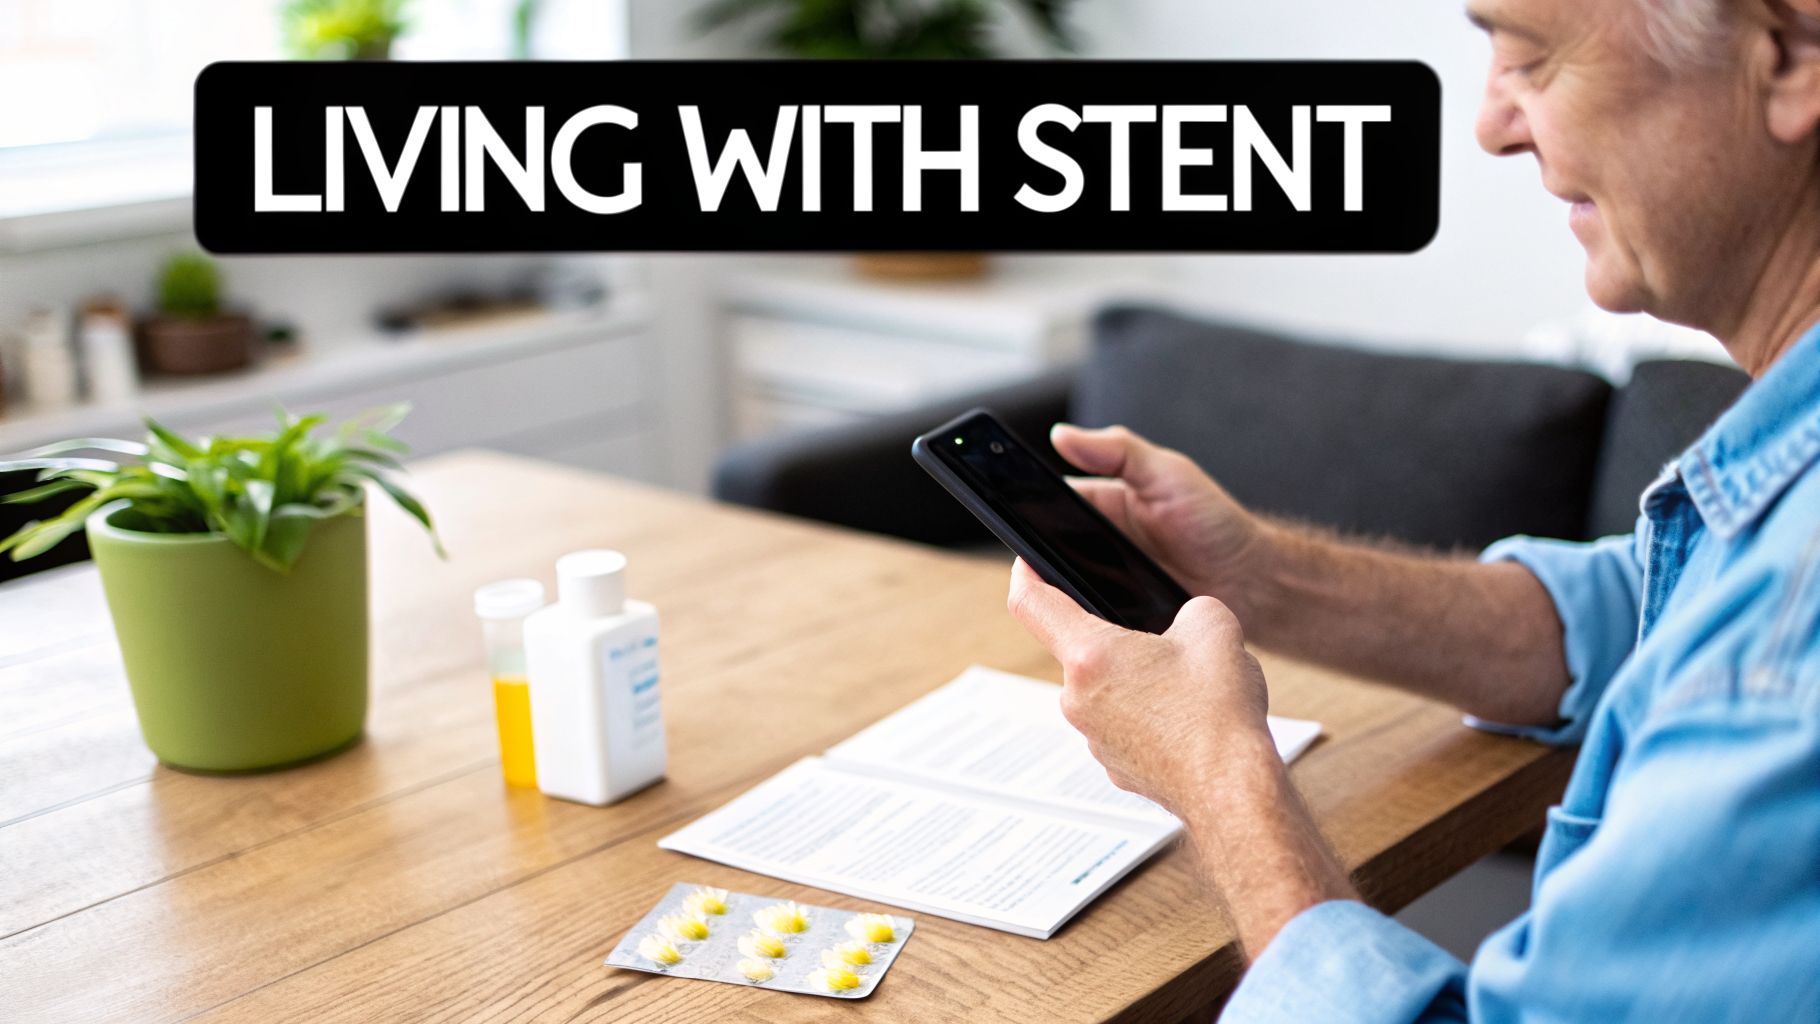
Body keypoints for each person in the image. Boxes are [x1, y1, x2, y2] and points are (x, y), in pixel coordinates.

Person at [1005, 0, 1820, 1019]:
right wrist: (1260, 576)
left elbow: (1753, 662)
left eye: (1528, 58)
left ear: (1782, 57)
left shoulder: (1787, 656)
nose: (1489, 124)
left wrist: (1216, 776)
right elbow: (1645, 616)